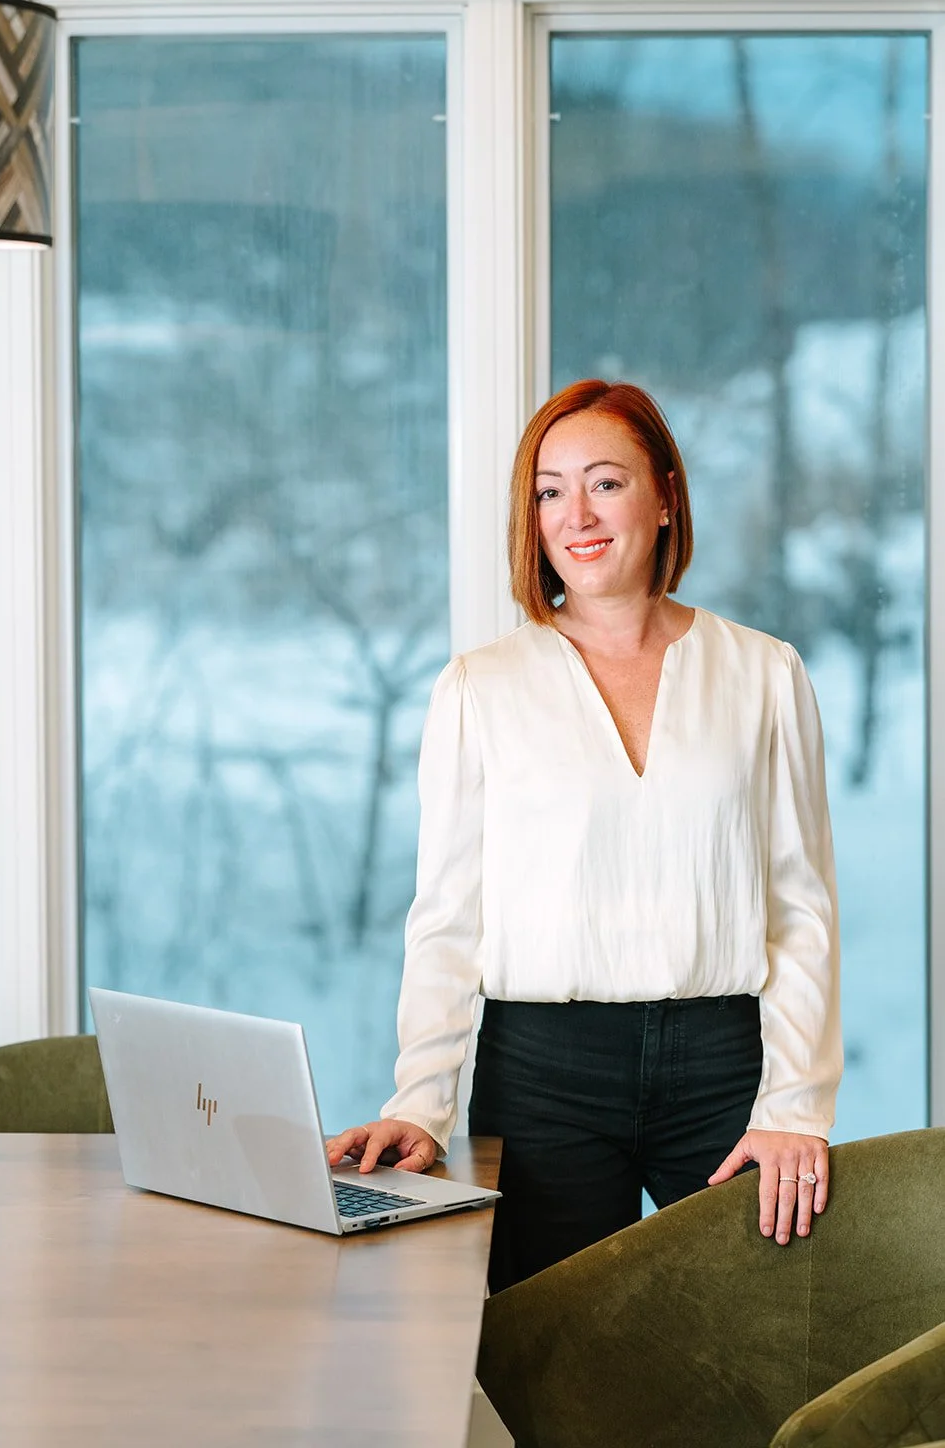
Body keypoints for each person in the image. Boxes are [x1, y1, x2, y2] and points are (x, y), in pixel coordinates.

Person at [327, 379, 842, 1293]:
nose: (577, 514)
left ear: (665, 496)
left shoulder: (764, 673)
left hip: (727, 1070)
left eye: (605, 483)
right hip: (542, 1078)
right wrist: (422, 1102)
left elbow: (799, 907)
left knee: (750, 1355)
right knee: (551, 1375)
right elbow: (448, 917)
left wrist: (795, 1105)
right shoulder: (477, 687)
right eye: (548, 490)